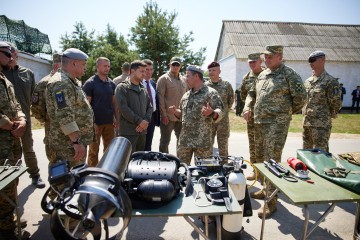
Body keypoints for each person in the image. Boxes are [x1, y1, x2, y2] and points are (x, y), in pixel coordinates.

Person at [243, 45, 306, 218]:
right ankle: (265, 189)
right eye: (266, 57)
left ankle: (271, 203)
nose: (266, 60)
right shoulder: (263, 74)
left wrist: (283, 113)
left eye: (270, 57)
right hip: (259, 123)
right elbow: (251, 93)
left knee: (271, 161)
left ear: (280, 56)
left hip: (276, 125)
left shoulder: (289, 75)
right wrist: (248, 106)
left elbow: (301, 99)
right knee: (261, 159)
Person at [2, 42, 45, 188]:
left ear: (16, 54)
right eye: (6, 53)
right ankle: (11, 181)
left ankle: (35, 175)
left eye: (11, 52)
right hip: (5, 123)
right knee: (10, 153)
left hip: (24, 118)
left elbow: (34, 97)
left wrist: (33, 116)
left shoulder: (28, 73)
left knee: (28, 148)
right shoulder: (2, 74)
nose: (9, 56)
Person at [0, 41, 30, 239]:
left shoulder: (5, 79)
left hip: (11, 140)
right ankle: (6, 229)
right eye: (9, 54)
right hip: (2, 141)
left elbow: (16, 104)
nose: (13, 57)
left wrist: (22, 120)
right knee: (4, 185)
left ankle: (8, 219)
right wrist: (11, 125)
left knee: (12, 180)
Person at [45, 48, 94, 168]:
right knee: (66, 181)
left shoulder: (70, 81)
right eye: (83, 64)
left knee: (76, 176)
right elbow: (64, 115)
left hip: (71, 143)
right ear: (74, 63)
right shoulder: (62, 83)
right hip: (67, 145)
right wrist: (76, 142)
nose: (85, 68)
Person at [169, 65, 224, 165]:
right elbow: (183, 115)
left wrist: (211, 113)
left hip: (202, 142)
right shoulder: (186, 95)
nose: (185, 79)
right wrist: (176, 112)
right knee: (182, 171)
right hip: (185, 142)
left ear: (196, 76)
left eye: (188, 76)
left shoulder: (211, 93)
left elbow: (221, 113)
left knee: (203, 172)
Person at [303, 50, 342, 152]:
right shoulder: (308, 82)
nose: (310, 63)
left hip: (321, 126)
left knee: (321, 154)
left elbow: (336, 103)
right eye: (309, 61)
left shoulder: (331, 82)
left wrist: (327, 117)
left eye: (313, 60)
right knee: (306, 153)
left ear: (322, 60)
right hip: (307, 123)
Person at [82, 57, 117, 167]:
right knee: (93, 151)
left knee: (109, 150)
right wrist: (92, 122)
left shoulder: (112, 84)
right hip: (95, 124)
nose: (107, 68)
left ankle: (106, 171)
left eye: (108, 66)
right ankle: (91, 173)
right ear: (97, 67)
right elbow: (86, 106)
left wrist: (116, 118)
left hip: (109, 123)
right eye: (104, 66)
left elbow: (114, 103)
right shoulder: (90, 83)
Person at [114, 60, 152, 152]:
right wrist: (139, 121)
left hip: (142, 132)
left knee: (139, 161)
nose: (144, 74)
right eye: (142, 71)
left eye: (145, 71)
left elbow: (149, 107)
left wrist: (146, 121)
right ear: (132, 71)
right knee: (127, 161)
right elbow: (123, 109)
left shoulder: (143, 89)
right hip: (128, 133)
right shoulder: (122, 88)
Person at [31, 53, 62, 160]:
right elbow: (36, 108)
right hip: (53, 132)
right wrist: (46, 120)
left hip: (70, 134)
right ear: (57, 66)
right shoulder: (44, 83)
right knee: (56, 164)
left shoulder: (69, 81)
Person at [240, 53, 264, 180]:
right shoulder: (246, 78)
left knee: (267, 145)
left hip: (266, 116)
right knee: (253, 144)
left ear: (260, 61)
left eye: (254, 61)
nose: (252, 64)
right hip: (252, 117)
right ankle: (255, 171)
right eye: (250, 62)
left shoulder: (268, 74)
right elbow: (244, 96)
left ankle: (267, 172)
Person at [157, 57, 187, 153]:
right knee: (165, 141)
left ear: (180, 66)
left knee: (182, 140)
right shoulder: (163, 79)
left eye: (177, 65)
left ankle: (181, 160)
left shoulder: (184, 80)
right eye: (173, 64)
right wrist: (164, 115)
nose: (175, 66)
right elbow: (160, 97)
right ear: (169, 65)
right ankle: (164, 161)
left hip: (181, 116)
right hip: (168, 117)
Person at [205, 61, 233, 158]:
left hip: (223, 122)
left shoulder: (226, 85)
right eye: (210, 70)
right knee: (208, 146)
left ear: (219, 71)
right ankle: (208, 167)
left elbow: (230, 101)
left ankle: (224, 167)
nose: (211, 72)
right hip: (209, 120)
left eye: (214, 70)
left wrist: (223, 113)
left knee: (223, 147)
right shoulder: (205, 86)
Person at [142, 59, 160, 151]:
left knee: (149, 142)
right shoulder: (138, 83)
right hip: (141, 118)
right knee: (141, 143)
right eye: (146, 69)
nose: (149, 72)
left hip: (152, 117)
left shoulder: (153, 83)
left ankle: (146, 162)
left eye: (151, 69)